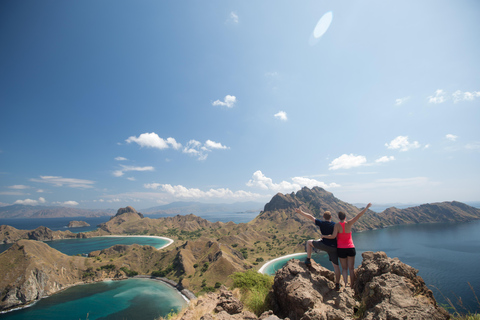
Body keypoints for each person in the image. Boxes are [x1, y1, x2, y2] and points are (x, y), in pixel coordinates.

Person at [322, 203, 372, 288]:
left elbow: (333, 236)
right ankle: (352, 286)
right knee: (351, 269)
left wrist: (324, 236)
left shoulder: (336, 225)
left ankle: (345, 285)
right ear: (345, 217)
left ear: (338, 217)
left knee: (344, 268)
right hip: (350, 248)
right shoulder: (349, 223)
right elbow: (358, 215)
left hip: (341, 249)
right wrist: (366, 207)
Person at [294, 208, 341, 290]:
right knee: (336, 267)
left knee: (309, 242)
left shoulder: (321, 223)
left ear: (323, 216)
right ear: (331, 217)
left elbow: (311, 217)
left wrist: (301, 212)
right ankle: (337, 284)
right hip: (333, 248)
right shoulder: (335, 224)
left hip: (323, 245)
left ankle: (308, 259)